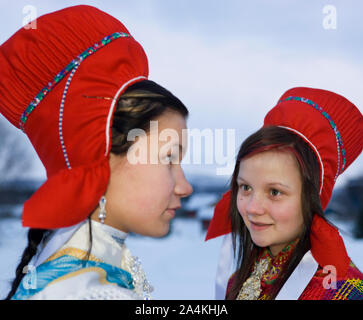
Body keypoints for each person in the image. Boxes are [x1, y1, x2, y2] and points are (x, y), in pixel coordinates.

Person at [0, 5, 192, 300]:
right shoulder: (91, 292)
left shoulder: (72, 265)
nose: (185, 186)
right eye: (167, 159)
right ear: (99, 158)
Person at [206, 87, 363, 300]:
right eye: (245, 187)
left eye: (274, 191)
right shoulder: (242, 279)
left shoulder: (342, 292)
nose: (252, 207)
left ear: (312, 197)